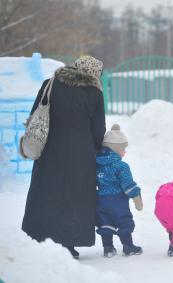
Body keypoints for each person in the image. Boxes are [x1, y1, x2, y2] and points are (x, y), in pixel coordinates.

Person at [22, 56, 106, 259]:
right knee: (74, 198)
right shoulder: (94, 93)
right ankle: (68, 242)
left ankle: (39, 236)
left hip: (49, 151)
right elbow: (98, 130)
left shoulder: (49, 84)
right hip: (81, 155)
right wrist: (94, 149)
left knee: (47, 192)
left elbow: (35, 113)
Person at [95, 124, 143, 257]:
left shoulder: (96, 163)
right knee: (124, 221)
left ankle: (108, 248)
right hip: (118, 200)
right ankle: (128, 246)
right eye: (123, 148)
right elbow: (128, 185)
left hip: (101, 200)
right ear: (115, 149)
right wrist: (137, 198)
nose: (124, 152)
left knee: (105, 223)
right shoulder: (121, 166)